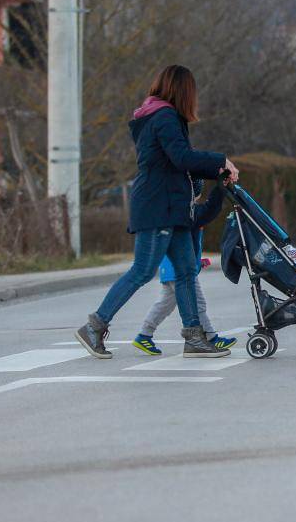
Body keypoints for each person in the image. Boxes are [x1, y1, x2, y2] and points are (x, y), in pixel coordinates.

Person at [75, 65, 239, 359]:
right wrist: (220, 161)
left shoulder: (160, 117)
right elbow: (181, 158)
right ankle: (94, 326)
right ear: (182, 91)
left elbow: (178, 161)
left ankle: (194, 337)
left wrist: (216, 172)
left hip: (171, 209)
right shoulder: (164, 117)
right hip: (158, 208)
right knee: (142, 270)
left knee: (187, 272)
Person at [131, 182, 236, 354]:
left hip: (171, 268)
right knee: (197, 302)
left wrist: (197, 261)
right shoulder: (187, 212)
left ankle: (144, 335)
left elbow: (188, 245)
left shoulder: (182, 211)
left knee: (165, 305)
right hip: (179, 270)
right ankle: (211, 337)